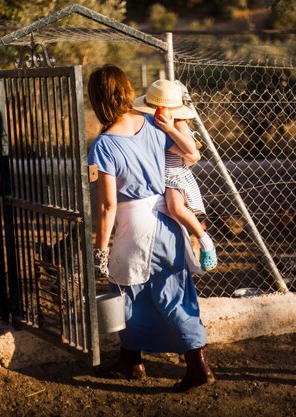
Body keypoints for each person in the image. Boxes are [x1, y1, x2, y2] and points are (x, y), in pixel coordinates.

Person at [87, 64, 215, 392]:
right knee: (174, 289)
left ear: (98, 100)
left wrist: (100, 249)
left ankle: (192, 365)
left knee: (131, 291)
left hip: (135, 225)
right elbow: (189, 153)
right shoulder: (152, 124)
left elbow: (107, 206)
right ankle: (133, 359)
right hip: (168, 221)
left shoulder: (103, 145)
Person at [132, 79, 217, 271]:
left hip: (173, 177)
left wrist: (169, 128)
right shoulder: (147, 122)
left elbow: (192, 151)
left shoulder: (179, 125)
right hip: (153, 177)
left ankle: (205, 242)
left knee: (176, 207)